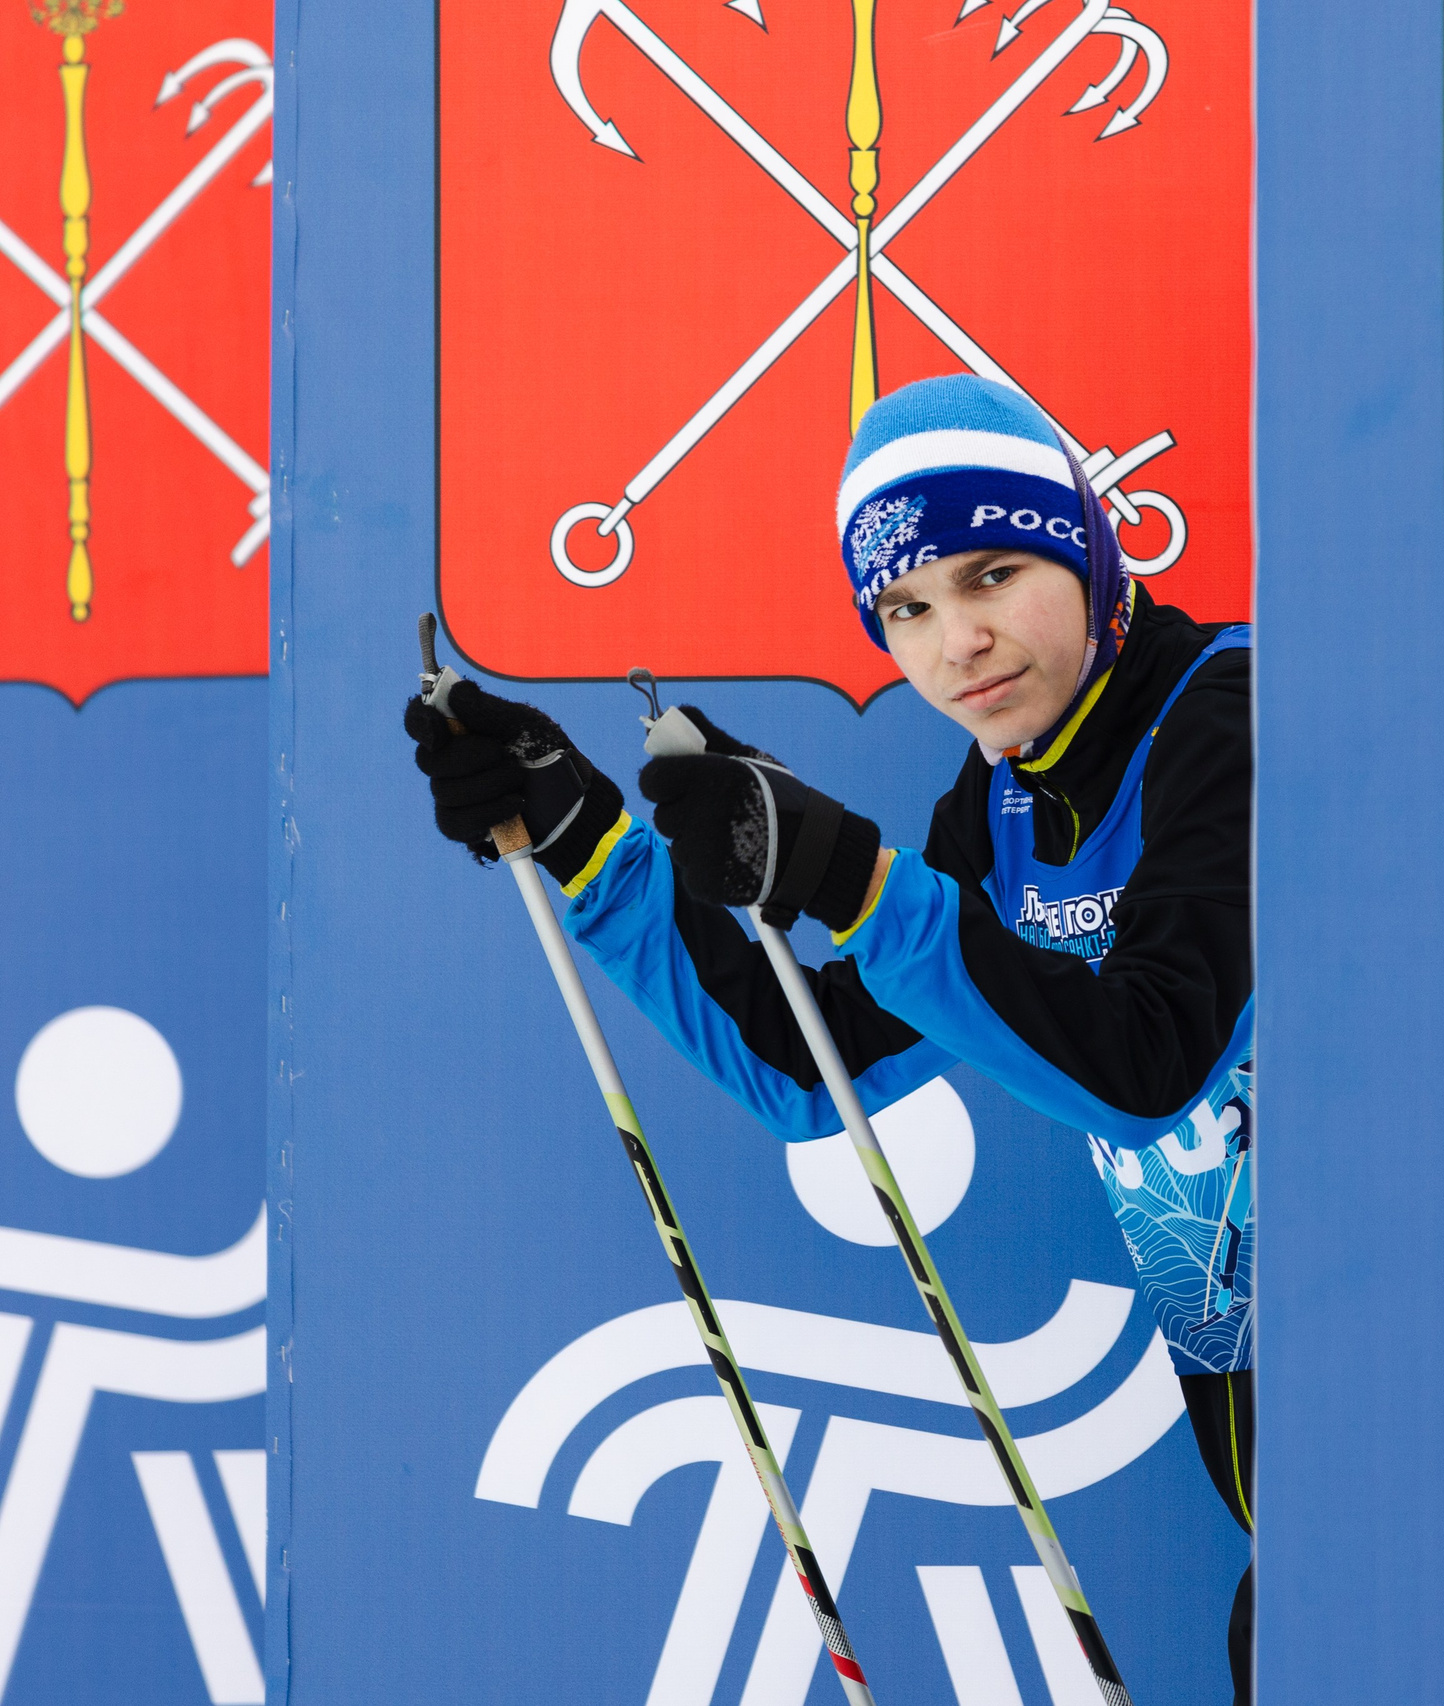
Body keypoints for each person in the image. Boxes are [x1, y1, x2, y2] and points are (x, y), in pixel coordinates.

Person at [405, 375, 1257, 1699]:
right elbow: (809, 1066)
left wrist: (851, 874)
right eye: (907, 608)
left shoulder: (1229, 718)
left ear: (1092, 548)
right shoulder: (1007, 800)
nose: (957, 640)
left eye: (995, 572)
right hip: (1258, 1431)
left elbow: (1152, 1064)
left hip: (1405, 1393)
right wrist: (590, 844)